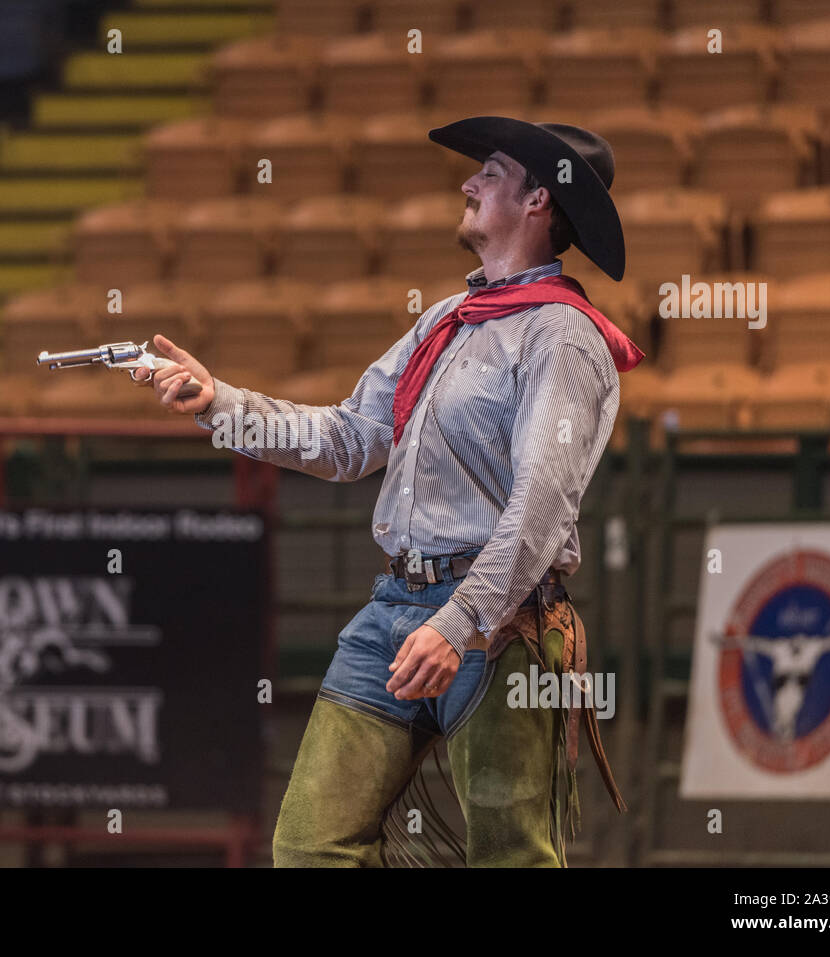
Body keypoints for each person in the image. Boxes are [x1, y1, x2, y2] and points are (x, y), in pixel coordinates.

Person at [135, 117, 642, 866]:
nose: (469, 182)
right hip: (397, 609)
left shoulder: (562, 337)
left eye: (492, 172)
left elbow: (539, 507)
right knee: (310, 844)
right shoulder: (448, 320)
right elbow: (348, 437)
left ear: (539, 200)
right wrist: (219, 402)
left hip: (500, 626)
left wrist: (459, 621)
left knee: (512, 856)